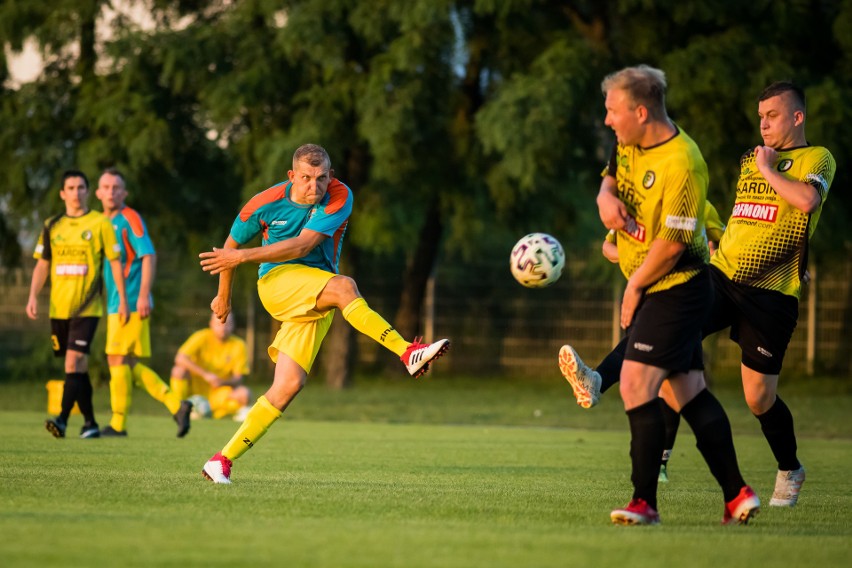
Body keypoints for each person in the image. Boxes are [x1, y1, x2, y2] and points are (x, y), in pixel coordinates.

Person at [561, 81, 835, 509]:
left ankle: (790, 468)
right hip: (723, 276)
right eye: (760, 116)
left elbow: (806, 202)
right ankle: (598, 380)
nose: (763, 124)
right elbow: (745, 219)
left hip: (772, 295)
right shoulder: (751, 158)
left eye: (773, 116)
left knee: (758, 398)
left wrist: (768, 168)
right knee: (665, 320)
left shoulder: (815, 159)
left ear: (797, 117)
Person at [196, 143, 450, 484]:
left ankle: (220, 460)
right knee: (345, 287)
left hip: (317, 291)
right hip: (277, 283)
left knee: (288, 386)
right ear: (291, 176)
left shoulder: (339, 195)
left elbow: (303, 245)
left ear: (330, 175)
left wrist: (240, 260)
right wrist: (223, 298)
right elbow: (229, 250)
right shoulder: (262, 203)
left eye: (321, 178)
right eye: (305, 178)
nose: (314, 186)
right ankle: (407, 351)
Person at [589, 65, 758, 525]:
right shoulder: (629, 143)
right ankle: (737, 493)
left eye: (613, 111)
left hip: (676, 288)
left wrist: (635, 286)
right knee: (687, 391)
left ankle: (644, 502)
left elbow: (673, 245)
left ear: (641, 112)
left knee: (634, 384)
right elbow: (611, 175)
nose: (608, 121)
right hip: (661, 288)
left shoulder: (683, 162)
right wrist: (606, 198)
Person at [578, 200, 726, 482]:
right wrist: (636, 255)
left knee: (657, 376)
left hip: (685, 296)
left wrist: (714, 252)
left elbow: (724, 245)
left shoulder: (700, 205)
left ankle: (596, 381)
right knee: (678, 388)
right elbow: (608, 247)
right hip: (651, 295)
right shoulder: (639, 207)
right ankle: (731, 489)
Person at [26, 170, 129, 439]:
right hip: (58, 309)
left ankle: (61, 420)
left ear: (87, 191)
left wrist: (123, 300)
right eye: (70, 188)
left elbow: (115, 263)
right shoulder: (52, 225)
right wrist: (32, 296)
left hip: (88, 308)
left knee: (73, 362)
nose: (75, 192)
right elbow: (43, 264)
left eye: (81, 187)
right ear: (62, 193)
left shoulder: (99, 224)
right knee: (76, 368)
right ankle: (91, 423)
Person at [95, 168, 193, 438]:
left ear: (124, 193)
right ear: (98, 193)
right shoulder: (101, 222)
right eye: (106, 187)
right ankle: (177, 405)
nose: (111, 191)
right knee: (124, 362)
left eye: (117, 187)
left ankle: (118, 425)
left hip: (130, 302)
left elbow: (148, 255)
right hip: (117, 302)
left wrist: (141, 295)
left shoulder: (130, 218)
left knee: (116, 359)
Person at [169, 312, 252, 420]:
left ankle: (208, 412)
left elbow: (238, 379)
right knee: (178, 371)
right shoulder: (201, 337)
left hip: (219, 392)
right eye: (219, 323)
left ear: (233, 326)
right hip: (195, 388)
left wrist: (220, 382)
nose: (223, 327)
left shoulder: (239, 345)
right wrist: (205, 375)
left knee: (245, 393)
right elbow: (180, 358)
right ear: (211, 324)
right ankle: (180, 409)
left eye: (227, 324)